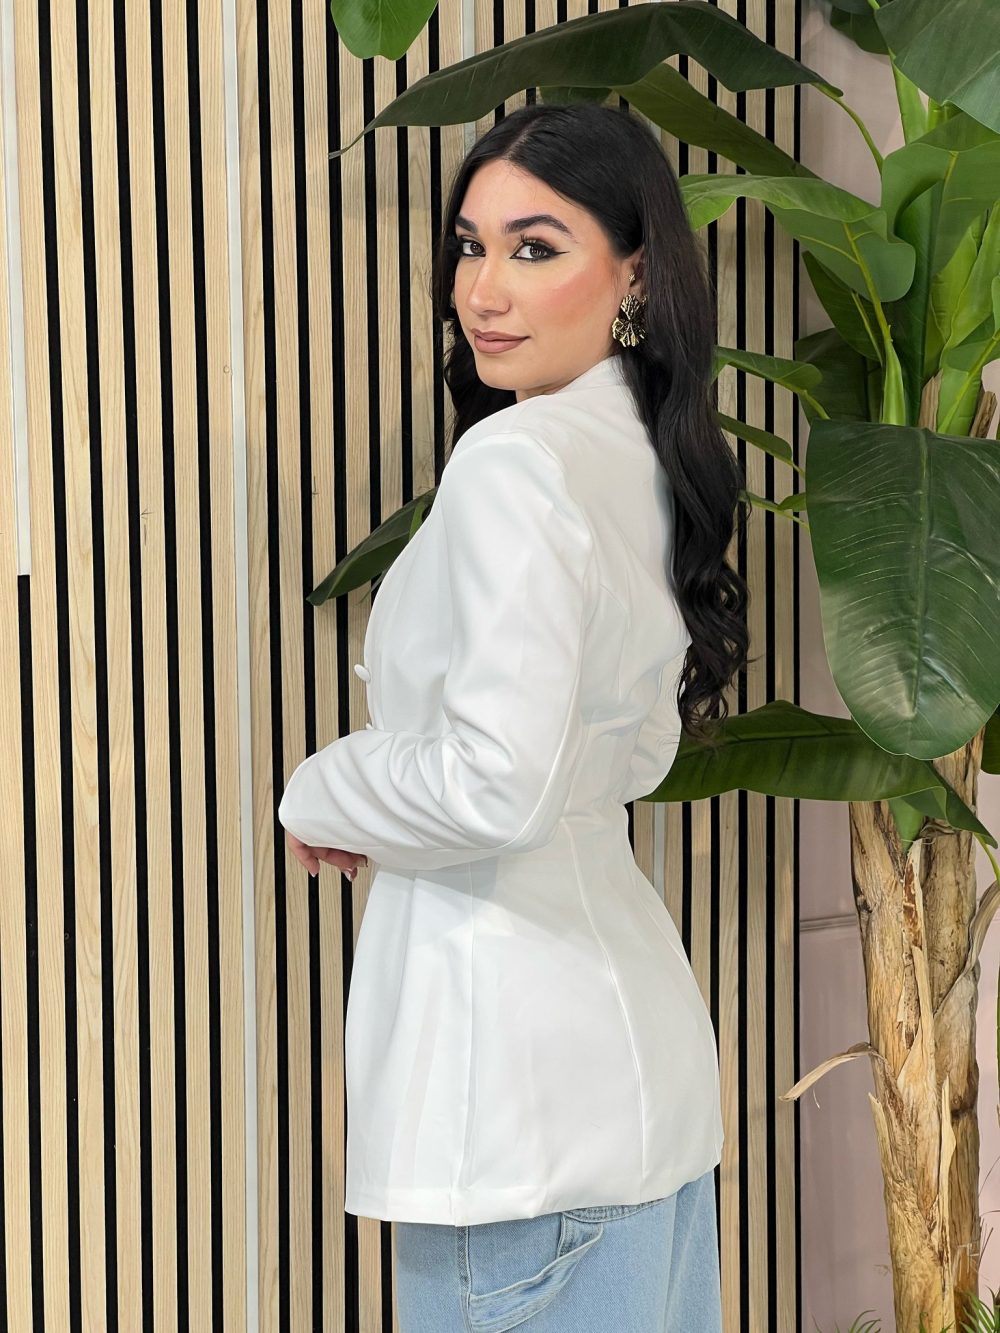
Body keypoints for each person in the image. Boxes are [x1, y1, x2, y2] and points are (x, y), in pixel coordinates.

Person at [279, 101, 750, 1331]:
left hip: (512, 1118)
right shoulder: (646, 456)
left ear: (634, 271)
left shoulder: (516, 464)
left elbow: (494, 782)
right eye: (469, 246)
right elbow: (629, 753)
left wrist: (320, 791)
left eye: (534, 248)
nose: (482, 291)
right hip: (638, 1092)